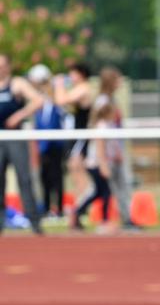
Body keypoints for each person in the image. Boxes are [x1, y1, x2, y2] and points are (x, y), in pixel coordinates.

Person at [0, 53, 44, 235]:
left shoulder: (17, 84)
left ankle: (34, 223)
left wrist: (19, 116)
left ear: (8, 66)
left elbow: (39, 100)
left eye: (2, 65)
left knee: (24, 179)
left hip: (15, 138)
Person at [72, 100, 120, 232]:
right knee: (105, 192)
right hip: (96, 164)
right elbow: (100, 148)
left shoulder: (105, 125)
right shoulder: (102, 126)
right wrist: (103, 166)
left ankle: (77, 212)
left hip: (96, 163)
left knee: (98, 192)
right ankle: (104, 221)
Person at [95, 67, 133, 227]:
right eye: (117, 80)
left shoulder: (113, 100)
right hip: (108, 153)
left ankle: (127, 219)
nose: (120, 83)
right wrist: (102, 160)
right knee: (105, 189)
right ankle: (105, 220)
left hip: (116, 150)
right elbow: (100, 131)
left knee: (122, 186)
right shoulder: (102, 102)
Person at [27, 64, 66, 218]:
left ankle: (60, 210)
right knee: (44, 177)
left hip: (55, 145)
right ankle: (46, 208)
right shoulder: (39, 103)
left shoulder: (56, 101)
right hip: (43, 146)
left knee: (57, 177)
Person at [54, 62, 93, 197]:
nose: (70, 76)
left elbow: (61, 100)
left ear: (81, 74)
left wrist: (59, 85)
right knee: (74, 167)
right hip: (76, 134)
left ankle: (84, 202)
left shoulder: (83, 88)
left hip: (82, 134)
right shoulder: (79, 88)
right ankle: (81, 202)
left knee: (77, 166)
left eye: (72, 73)